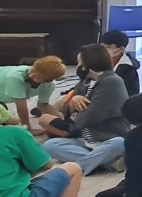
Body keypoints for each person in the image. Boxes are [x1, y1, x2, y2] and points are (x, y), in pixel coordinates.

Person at [40, 44, 129, 175]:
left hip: (107, 137)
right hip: (85, 139)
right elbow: (64, 114)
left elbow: (92, 116)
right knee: (50, 145)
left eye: (80, 63)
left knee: (119, 143)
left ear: (89, 64)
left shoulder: (112, 82)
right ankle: (108, 163)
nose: (78, 66)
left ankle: (77, 167)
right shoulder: (85, 82)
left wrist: (75, 113)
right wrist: (72, 103)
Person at [0, 56, 67, 127]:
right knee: (7, 120)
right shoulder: (15, 77)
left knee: (12, 120)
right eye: (33, 70)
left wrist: (60, 117)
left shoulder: (50, 85)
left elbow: (43, 105)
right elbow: (21, 105)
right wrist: (27, 127)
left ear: (49, 80)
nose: (31, 75)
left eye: (38, 76)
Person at [99, 30, 142, 96]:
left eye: (108, 47)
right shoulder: (100, 60)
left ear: (121, 49)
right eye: (102, 47)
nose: (103, 50)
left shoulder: (128, 70)